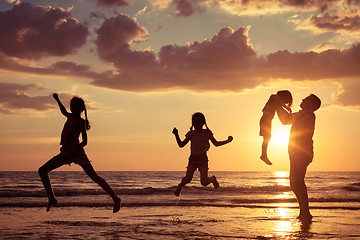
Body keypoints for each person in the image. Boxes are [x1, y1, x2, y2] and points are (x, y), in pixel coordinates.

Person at [38, 93, 121, 213]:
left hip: (77, 153)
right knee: (42, 170)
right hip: (65, 152)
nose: (73, 107)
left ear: (81, 109)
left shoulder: (81, 122)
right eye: (72, 105)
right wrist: (57, 99)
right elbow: (63, 111)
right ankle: (52, 199)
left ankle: (116, 198)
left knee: (94, 177)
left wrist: (74, 148)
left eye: (76, 106)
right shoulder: (69, 117)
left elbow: (85, 141)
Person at [277, 94, 321, 222]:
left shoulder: (307, 114)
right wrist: (279, 106)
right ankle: (304, 212)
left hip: (301, 153)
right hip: (299, 152)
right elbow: (286, 120)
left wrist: (277, 104)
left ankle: (305, 213)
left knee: (297, 182)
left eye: (305, 99)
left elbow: (285, 120)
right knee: (296, 182)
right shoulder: (304, 114)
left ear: (312, 104)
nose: (302, 99)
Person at [172, 112, 233, 196]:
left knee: (204, 182)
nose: (198, 124)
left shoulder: (207, 133)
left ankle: (212, 179)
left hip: (203, 159)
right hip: (193, 159)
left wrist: (227, 141)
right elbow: (181, 145)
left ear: (204, 123)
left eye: (199, 122)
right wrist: (176, 135)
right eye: (195, 122)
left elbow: (216, 143)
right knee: (187, 178)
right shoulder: (191, 134)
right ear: (192, 123)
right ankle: (179, 188)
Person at [260, 90, 293, 165]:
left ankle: (264, 155)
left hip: (268, 120)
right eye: (285, 101)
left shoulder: (276, 101)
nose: (284, 103)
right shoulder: (274, 97)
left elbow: (279, 105)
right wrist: (286, 108)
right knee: (267, 137)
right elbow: (277, 100)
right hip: (265, 120)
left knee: (267, 137)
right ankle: (263, 155)